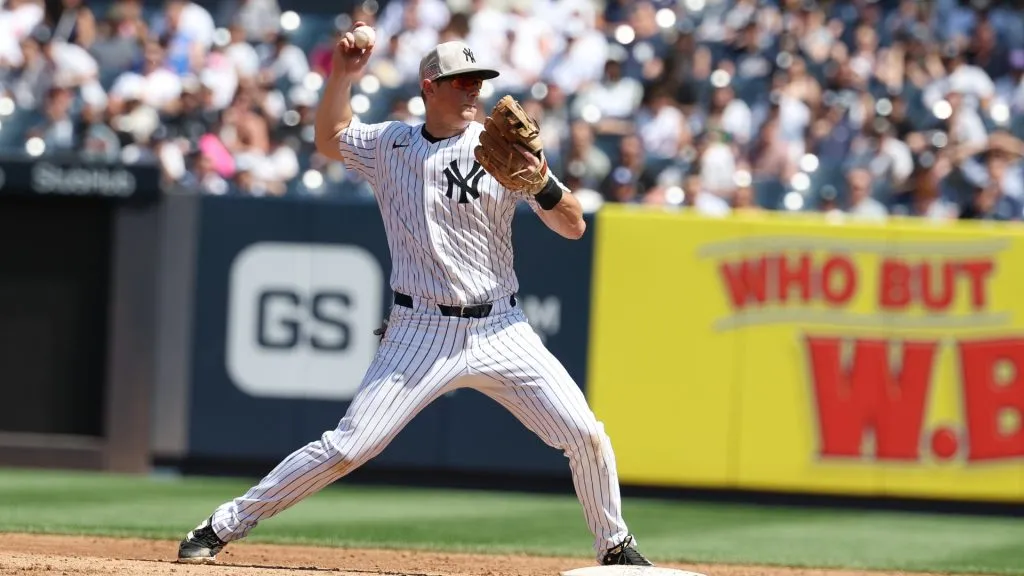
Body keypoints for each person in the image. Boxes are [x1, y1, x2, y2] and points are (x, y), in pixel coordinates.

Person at [176, 22, 653, 568]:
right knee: (349, 448)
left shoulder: (498, 148)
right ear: (430, 85)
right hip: (419, 330)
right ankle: (222, 524)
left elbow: (573, 227)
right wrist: (342, 75)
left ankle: (615, 546)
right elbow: (330, 138)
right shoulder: (390, 145)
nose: (473, 89)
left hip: (502, 328)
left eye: (478, 79)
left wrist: (541, 181)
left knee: (584, 434)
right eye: (460, 80)